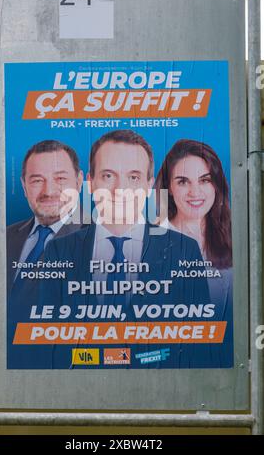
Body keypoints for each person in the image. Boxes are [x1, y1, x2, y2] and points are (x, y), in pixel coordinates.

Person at [34, 130, 214, 369]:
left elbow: (199, 343)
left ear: (149, 185)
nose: (120, 190)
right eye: (108, 176)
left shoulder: (183, 250)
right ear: (90, 182)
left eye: (134, 177)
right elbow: (48, 343)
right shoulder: (59, 250)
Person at [155, 139, 233, 361]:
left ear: (216, 184)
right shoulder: (149, 241)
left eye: (204, 180)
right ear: (168, 188)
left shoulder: (235, 239)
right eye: (183, 181)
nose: (195, 192)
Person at [7, 139, 84, 295]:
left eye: (60, 179)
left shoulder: (101, 237)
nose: (48, 191)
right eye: (37, 180)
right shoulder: (5, 236)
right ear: (24, 186)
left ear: (79, 181)